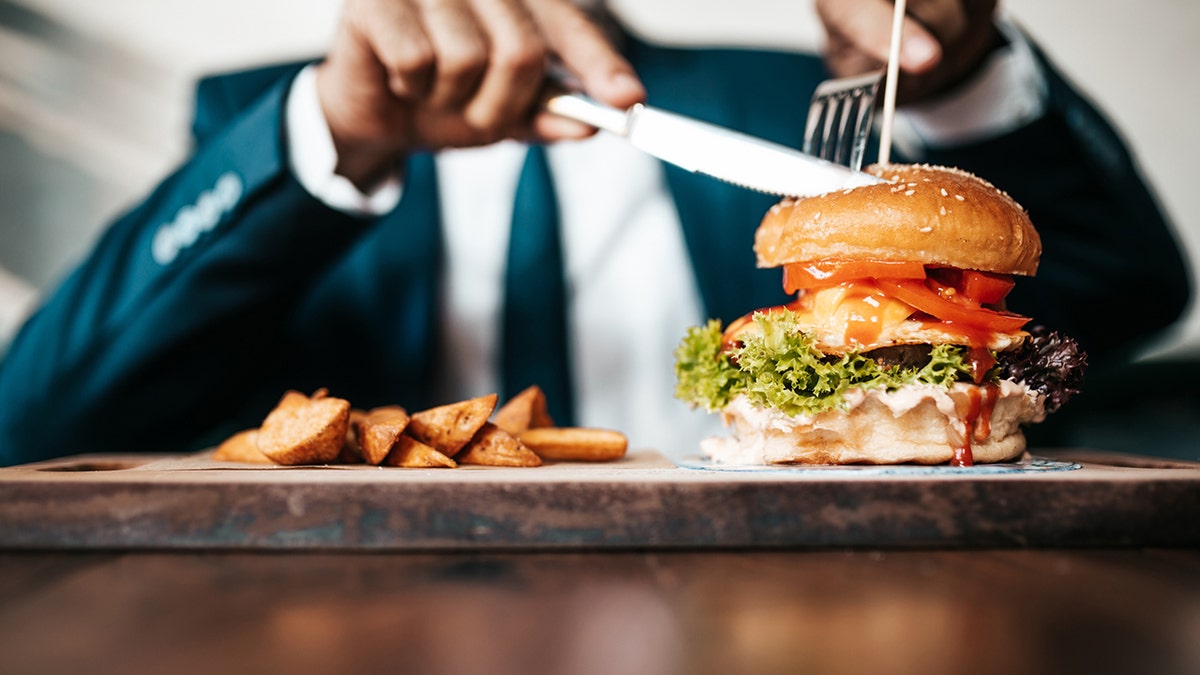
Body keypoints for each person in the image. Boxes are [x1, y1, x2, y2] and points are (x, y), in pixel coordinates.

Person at [0, 0, 1189, 466]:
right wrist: (325, 135)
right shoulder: (262, 117)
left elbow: (1123, 291)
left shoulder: (802, 103)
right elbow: (39, 424)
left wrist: (962, 72)